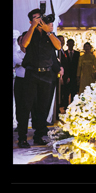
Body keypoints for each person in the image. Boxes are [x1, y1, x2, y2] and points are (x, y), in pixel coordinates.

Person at [16, 9, 63, 148]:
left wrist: (49, 32)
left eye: (40, 17)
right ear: (31, 21)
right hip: (31, 74)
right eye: (35, 18)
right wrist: (33, 27)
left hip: (46, 75)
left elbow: (58, 46)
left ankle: (38, 136)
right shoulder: (28, 33)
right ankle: (22, 138)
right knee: (26, 106)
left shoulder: (49, 34)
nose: (39, 20)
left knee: (43, 107)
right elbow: (24, 44)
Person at [62, 39, 80, 109]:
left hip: (74, 75)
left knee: (74, 92)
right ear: (67, 45)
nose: (70, 45)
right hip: (67, 75)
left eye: (72, 44)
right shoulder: (64, 53)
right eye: (69, 44)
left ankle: (73, 106)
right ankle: (66, 106)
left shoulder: (77, 53)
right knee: (66, 92)